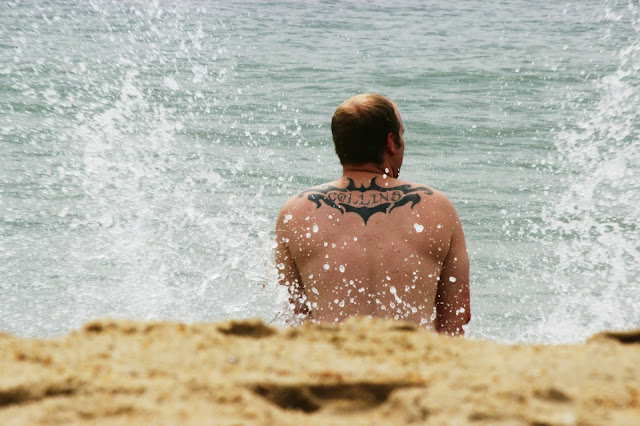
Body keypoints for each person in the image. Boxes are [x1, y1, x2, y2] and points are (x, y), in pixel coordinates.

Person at [275, 94, 470, 335]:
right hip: (411, 354)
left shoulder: (296, 210)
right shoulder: (437, 206)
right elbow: (458, 315)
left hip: (330, 353)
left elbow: (295, 316)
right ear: (390, 142)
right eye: (402, 135)